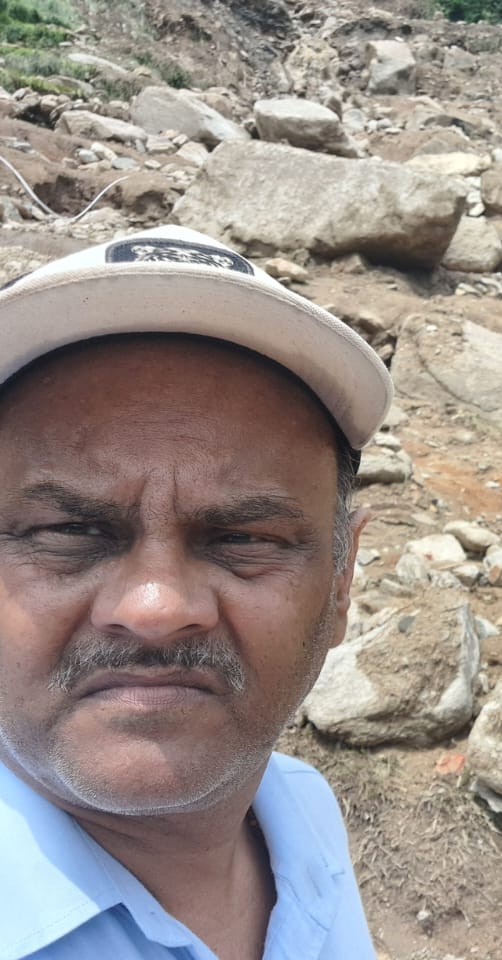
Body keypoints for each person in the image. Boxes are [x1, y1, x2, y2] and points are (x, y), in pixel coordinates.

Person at [0, 224, 391, 959]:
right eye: (69, 532)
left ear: (342, 583)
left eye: (242, 538)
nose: (155, 609)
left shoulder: (301, 810)